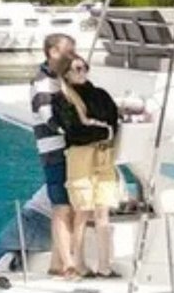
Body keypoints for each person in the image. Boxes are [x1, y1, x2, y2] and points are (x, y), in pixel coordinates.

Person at [51, 55, 125, 278]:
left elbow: (113, 121)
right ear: (66, 73)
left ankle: (105, 265)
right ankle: (79, 263)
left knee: (103, 209)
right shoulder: (62, 99)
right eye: (76, 70)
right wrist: (101, 129)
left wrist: (98, 128)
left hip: (103, 154)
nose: (82, 73)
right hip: (81, 156)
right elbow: (74, 132)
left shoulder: (100, 95)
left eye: (84, 68)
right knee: (82, 210)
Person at [28, 32, 79, 277]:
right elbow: (50, 119)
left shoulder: (61, 79)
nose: (72, 55)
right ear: (53, 52)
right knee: (61, 207)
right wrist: (79, 129)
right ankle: (66, 263)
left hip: (67, 150)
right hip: (54, 152)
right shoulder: (42, 83)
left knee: (71, 205)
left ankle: (58, 262)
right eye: (68, 51)